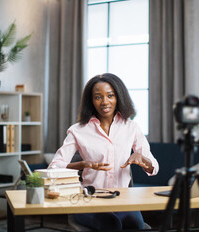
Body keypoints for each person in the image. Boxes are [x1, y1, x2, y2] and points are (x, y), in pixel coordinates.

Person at [48, 73, 159, 231]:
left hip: (123, 200)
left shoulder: (131, 127)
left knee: (136, 225)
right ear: (91, 101)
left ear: (118, 97)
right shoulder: (78, 130)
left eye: (110, 95)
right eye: (98, 97)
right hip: (89, 199)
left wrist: (143, 159)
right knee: (111, 224)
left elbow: (153, 166)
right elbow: (54, 168)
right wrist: (82, 164)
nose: (105, 102)